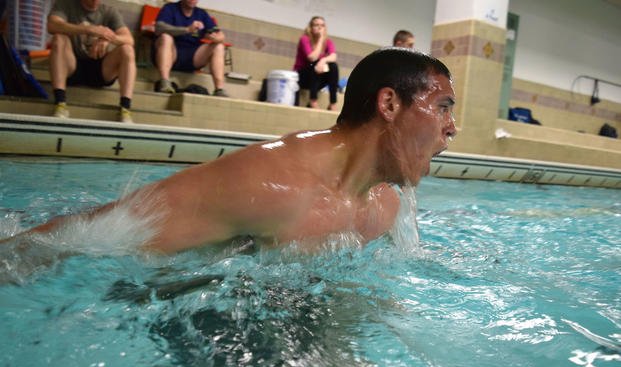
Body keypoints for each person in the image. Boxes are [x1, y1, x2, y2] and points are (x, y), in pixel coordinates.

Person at [1, 48, 456, 276]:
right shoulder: (272, 184)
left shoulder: (385, 205)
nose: (451, 128)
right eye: (443, 108)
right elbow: (88, 236)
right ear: (390, 104)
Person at [47, 0, 136, 123]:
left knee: (127, 49)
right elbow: (52, 25)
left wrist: (108, 38)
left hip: (100, 69)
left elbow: (129, 39)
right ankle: (60, 103)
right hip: (72, 65)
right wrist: (86, 29)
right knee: (58, 38)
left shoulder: (109, 11)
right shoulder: (65, 4)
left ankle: (125, 108)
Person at [153, 0, 228, 97]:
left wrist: (218, 38)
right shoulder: (170, 8)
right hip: (172, 53)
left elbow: (218, 33)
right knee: (165, 37)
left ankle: (219, 89)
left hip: (193, 56)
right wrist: (187, 29)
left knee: (219, 46)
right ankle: (164, 82)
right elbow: (159, 28)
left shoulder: (201, 14)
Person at [293, 16, 339, 111]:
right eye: (316, 25)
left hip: (316, 78)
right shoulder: (304, 39)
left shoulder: (328, 42)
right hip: (301, 77)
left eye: (322, 25)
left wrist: (323, 60)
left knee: (333, 66)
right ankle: (313, 100)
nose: (319, 27)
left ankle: (333, 103)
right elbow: (312, 58)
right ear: (310, 27)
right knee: (315, 63)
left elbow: (334, 56)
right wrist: (320, 39)